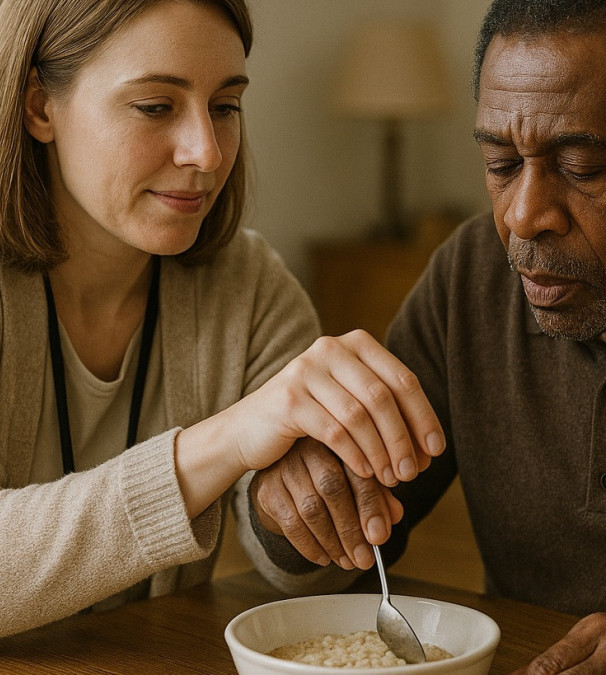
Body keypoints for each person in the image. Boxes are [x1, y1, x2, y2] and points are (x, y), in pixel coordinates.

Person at [245, 0, 606, 672]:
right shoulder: (472, 274)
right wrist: (297, 499)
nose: (524, 216)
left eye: (581, 166)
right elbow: (339, 536)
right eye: (502, 163)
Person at [0, 0, 445, 638]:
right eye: (156, 106)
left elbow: (303, 576)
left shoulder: (252, 286)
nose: (207, 152)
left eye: (226, 106)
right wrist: (226, 441)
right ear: (40, 106)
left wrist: (295, 502)